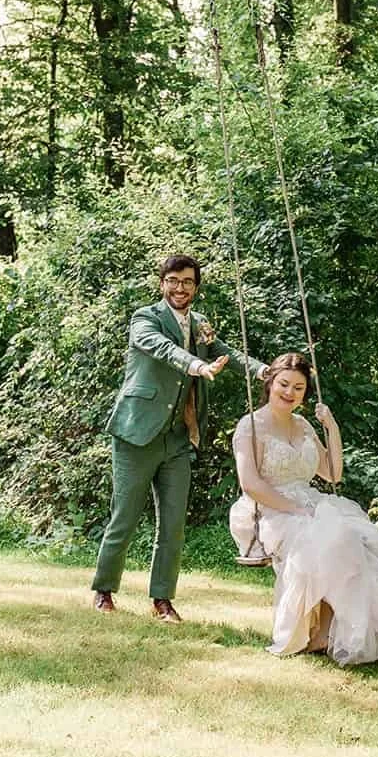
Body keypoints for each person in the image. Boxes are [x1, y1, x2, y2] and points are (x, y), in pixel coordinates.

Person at [230, 353, 378, 666]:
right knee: (332, 536)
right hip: (269, 510)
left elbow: (332, 473)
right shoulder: (250, 426)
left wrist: (331, 427)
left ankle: (326, 633)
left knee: (351, 535)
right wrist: (294, 509)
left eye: (298, 388)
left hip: (311, 505)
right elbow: (250, 484)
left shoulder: (303, 425)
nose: (289, 393)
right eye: (284, 384)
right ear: (270, 383)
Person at [91, 255, 266, 621]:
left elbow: (227, 354)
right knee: (124, 518)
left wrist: (264, 371)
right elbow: (160, 347)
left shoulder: (201, 324)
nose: (179, 287)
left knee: (173, 525)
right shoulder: (145, 318)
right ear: (162, 284)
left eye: (187, 281)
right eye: (173, 280)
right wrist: (196, 365)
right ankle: (104, 591)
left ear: (196, 287)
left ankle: (162, 600)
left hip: (179, 437)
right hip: (137, 433)